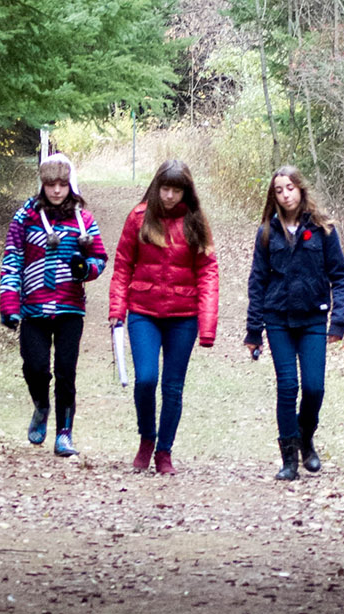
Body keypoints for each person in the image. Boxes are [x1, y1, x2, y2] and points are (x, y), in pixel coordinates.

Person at [108, 159, 219, 475]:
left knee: (172, 387)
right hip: (143, 311)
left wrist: (207, 325)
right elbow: (122, 266)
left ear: (186, 191)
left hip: (183, 317)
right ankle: (147, 438)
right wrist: (117, 310)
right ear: (157, 187)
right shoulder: (139, 218)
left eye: (176, 190)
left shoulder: (196, 222)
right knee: (145, 379)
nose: (170, 196)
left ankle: (164, 451)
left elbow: (208, 271)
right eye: (165, 188)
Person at [244, 165, 344, 481]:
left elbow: (341, 276)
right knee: (288, 386)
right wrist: (254, 330)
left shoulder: (323, 229)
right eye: (279, 190)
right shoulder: (267, 232)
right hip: (277, 319)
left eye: (290, 187)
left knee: (314, 387)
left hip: (313, 319)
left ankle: (305, 437)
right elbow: (257, 281)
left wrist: (338, 321)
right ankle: (289, 459)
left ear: (301, 189)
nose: (285, 194)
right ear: (273, 195)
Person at [0, 153, 108, 457]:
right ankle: (40, 405)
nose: (57, 191)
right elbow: (12, 259)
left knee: (65, 372)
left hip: (70, 309)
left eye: (62, 184)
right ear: (42, 184)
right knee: (35, 368)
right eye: (50, 184)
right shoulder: (26, 217)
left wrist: (84, 269)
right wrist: (9, 303)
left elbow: (99, 258)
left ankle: (64, 434)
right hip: (33, 308)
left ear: (70, 184)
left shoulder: (83, 219)